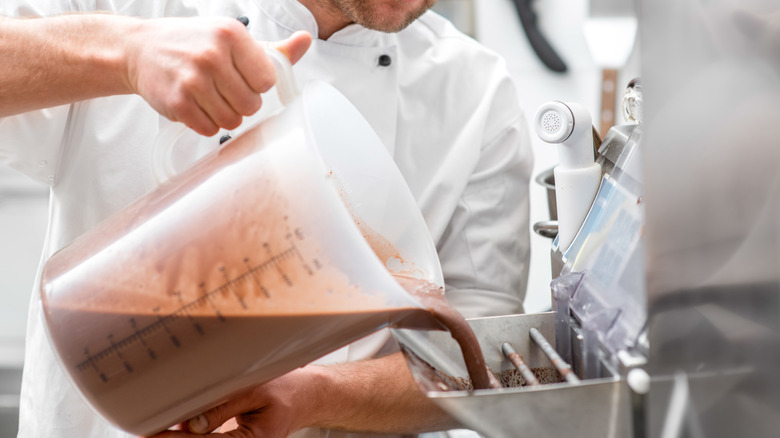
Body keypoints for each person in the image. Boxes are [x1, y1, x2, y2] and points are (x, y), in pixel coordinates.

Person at [0, 0, 533, 436]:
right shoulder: (133, 7)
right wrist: (125, 52)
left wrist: (317, 395)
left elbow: (482, 357)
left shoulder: (478, 93)